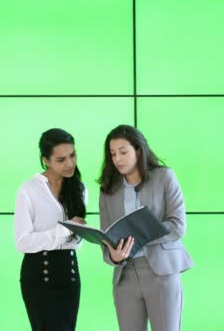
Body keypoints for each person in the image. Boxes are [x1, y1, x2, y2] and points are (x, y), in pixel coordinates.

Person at [98, 125, 194, 331]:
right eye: (113, 154)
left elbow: (178, 226)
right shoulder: (108, 190)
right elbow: (106, 241)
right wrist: (114, 256)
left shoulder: (164, 177)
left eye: (123, 152)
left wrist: (141, 235)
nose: (117, 159)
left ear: (138, 150)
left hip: (161, 272)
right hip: (125, 277)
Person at [14, 128, 87, 331]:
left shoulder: (79, 189)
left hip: (70, 273)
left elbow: (74, 242)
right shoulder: (28, 190)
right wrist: (63, 231)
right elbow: (23, 242)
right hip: (38, 274)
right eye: (61, 159)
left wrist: (81, 232)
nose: (70, 164)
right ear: (46, 160)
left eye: (72, 156)